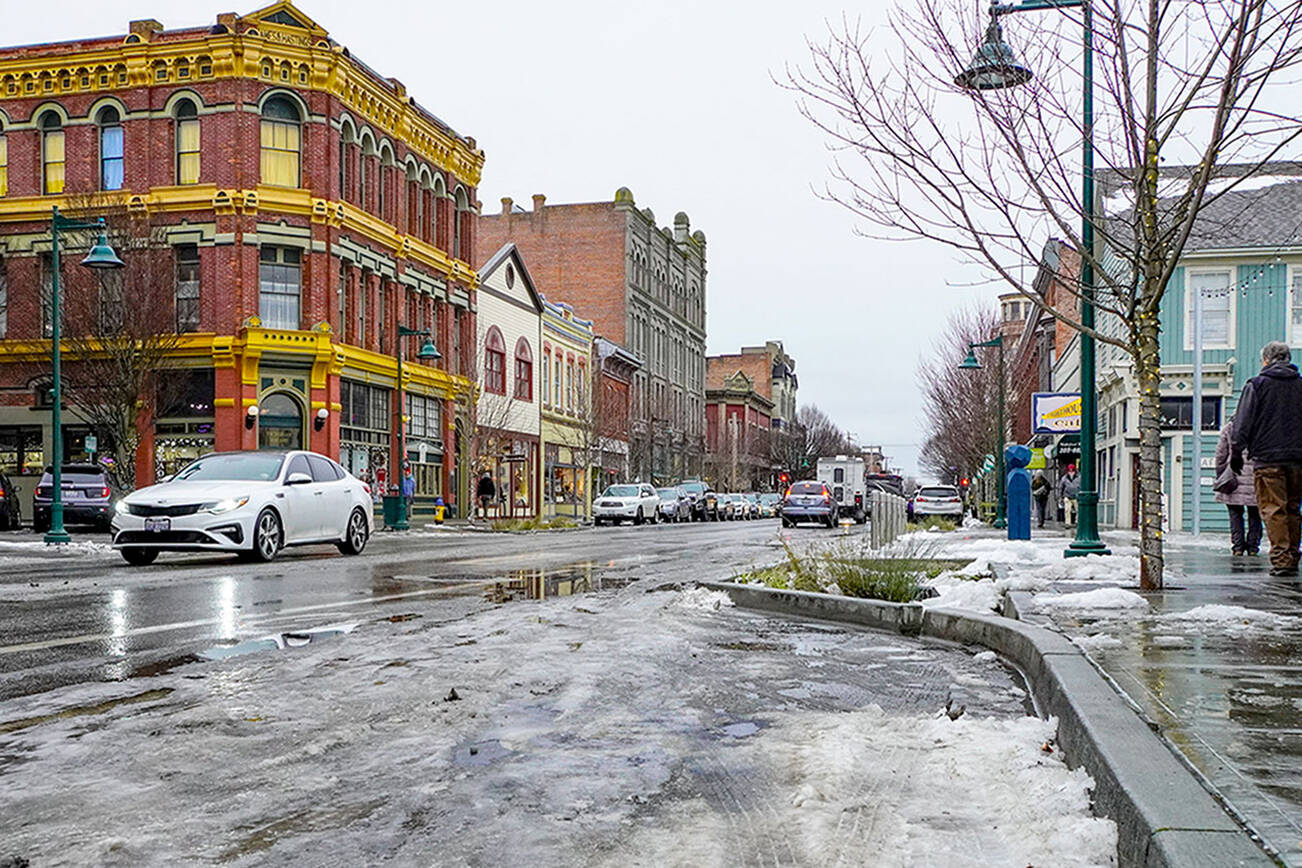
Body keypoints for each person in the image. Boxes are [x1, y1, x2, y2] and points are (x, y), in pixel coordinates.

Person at [1231, 341, 1302, 576]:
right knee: (1292, 507)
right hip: (1297, 458)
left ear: (1266, 360)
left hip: (1267, 458)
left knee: (1274, 509)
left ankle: (1282, 559)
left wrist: (1236, 453)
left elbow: (1242, 423)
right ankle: (1292, 555)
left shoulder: (1257, 385)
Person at [1214, 418, 1261, 556]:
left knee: (1235, 514)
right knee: (1255, 515)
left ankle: (1238, 547)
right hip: (1256, 477)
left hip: (1233, 476)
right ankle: (1253, 547)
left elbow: (1221, 454)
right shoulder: (1260, 426)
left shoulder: (1230, 428)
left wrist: (1220, 472)